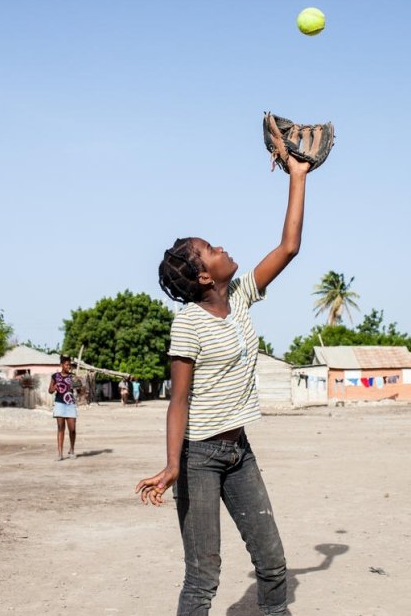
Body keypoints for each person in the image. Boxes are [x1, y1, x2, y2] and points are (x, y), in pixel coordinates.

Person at [135, 154, 311, 615]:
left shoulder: (240, 297)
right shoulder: (188, 324)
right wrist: (172, 464)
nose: (223, 248)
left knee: (273, 564)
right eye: (211, 248)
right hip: (199, 457)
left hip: (239, 451)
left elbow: (288, 246)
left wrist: (297, 175)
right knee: (203, 577)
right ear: (203, 276)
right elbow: (179, 401)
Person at [48, 355, 77, 460]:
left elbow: (80, 388)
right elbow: (50, 390)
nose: (68, 366)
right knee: (60, 428)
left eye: (69, 365)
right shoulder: (55, 376)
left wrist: (78, 386)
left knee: (72, 429)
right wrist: (54, 387)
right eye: (66, 364)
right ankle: (60, 454)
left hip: (70, 404)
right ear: (61, 365)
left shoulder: (73, 376)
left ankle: (72, 450)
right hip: (59, 403)